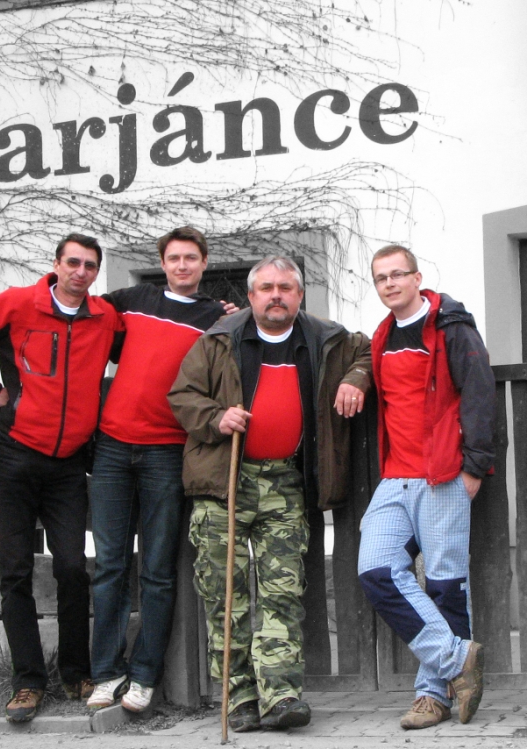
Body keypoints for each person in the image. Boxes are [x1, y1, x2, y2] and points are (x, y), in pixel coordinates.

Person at [168, 255, 371, 733]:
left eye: (285, 288)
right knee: (226, 596)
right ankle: (239, 698)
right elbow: (182, 396)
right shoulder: (218, 339)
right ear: (251, 295)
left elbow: (368, 352)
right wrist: (216, 417)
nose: (276, 295)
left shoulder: (326, 337)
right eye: (266, 288)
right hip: (224, 483)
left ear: (299, 295)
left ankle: (281, 695)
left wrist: (355, 378)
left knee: (283, 593)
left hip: (285, 483)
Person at [0, 233, 122, 723]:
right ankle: (28, 682)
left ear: (96, 273)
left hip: (68, 465)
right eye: (73, 262)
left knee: (73, 568)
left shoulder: (105, 318)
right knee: (15, 572)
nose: (81, 271)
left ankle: (76, 672)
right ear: (56, 264)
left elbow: (150, 335)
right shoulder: (19, 305)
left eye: (90, 265)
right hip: (14, 458)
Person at [87, 226, 228, 713]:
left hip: (167, 451)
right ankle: (106, 672)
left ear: (204, 263)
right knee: (109, 565)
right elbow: (82, 318)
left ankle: (145, 675)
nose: (182, 265)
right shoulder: (133, 300)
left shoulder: (215, 317)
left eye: (191, 258)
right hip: (111, 447)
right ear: (162, 263)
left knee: (158, 570)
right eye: (174, 258)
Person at [357, 244, 495, 730]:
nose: (390, 284)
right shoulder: (381, 334)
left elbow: (479, 392)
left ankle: (433, 696)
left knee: (444, 583)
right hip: (396, 477)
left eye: (398, 275)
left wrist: (474, 466)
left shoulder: (451, 328)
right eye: (381, 278)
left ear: (417, 279)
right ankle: (458, 659)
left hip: (444, 475)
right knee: (376, 570)